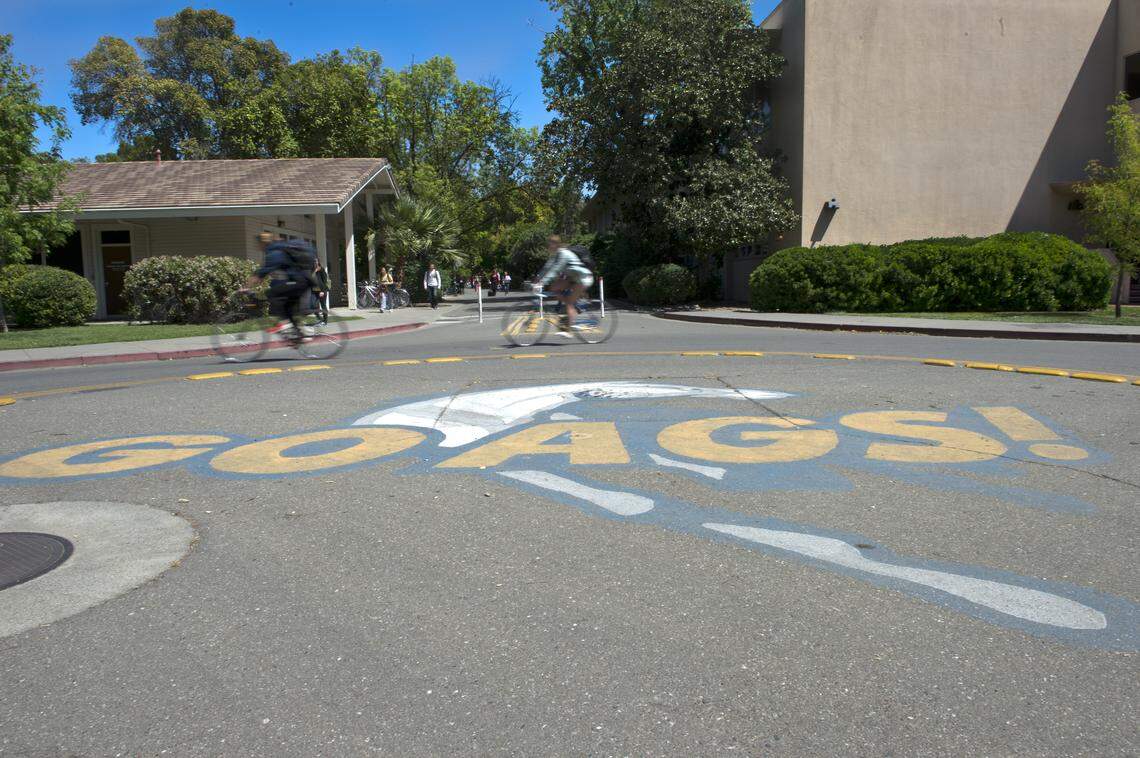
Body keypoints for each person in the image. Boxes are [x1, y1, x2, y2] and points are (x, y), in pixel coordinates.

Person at [246, 231, 315, 339]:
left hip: (299, 281)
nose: (258, 245)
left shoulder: (274, 252)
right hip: (302, 281)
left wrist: (247, 286)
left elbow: (265, 270)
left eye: (259, 243)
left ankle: (285, 324)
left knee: (271, 293)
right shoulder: (279, 249)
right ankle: (299, 335)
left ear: (263, 242)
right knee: (287, 308)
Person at [534, 236, 595, 333]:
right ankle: (572, 307)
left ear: (556, 245)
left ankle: (569, 327)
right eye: (548, 245)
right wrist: (537, 278)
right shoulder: (555, 255)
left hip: (583, 278)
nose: (549, 247)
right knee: (554, 287)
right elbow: (547, 267)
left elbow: (555, 270)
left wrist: (542, 282)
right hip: (573, 278)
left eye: (550, 245)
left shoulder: (564, 254)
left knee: (569, 303)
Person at [310, 258, 330, 325]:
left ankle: (325, 321)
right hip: (314, 291)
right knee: (313, 305)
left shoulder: (321, 269)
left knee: (323, 305)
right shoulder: (312, 270)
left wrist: (322, 291)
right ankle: (319, 319)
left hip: (322, 291)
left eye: (316, 261)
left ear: (318, 262)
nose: (314, 262)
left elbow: (324, 281)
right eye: (313, 261)